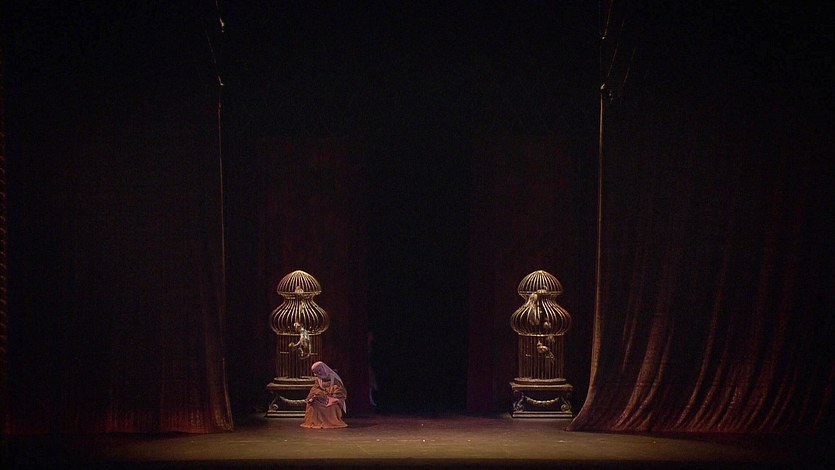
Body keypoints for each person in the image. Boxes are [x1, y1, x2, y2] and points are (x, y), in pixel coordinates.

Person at [300, 361, 347, 429]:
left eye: (319, 370)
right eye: (317, 372)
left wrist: (330, 392)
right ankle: (316, 422)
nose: (319, 373)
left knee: (331, 405)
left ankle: (330, 422)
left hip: (332, 397)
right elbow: (315, 388)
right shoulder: (318, 380)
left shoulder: (334, 378)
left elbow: (340, 390)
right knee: (313, 404)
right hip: (322, 397)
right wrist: (319, 393)